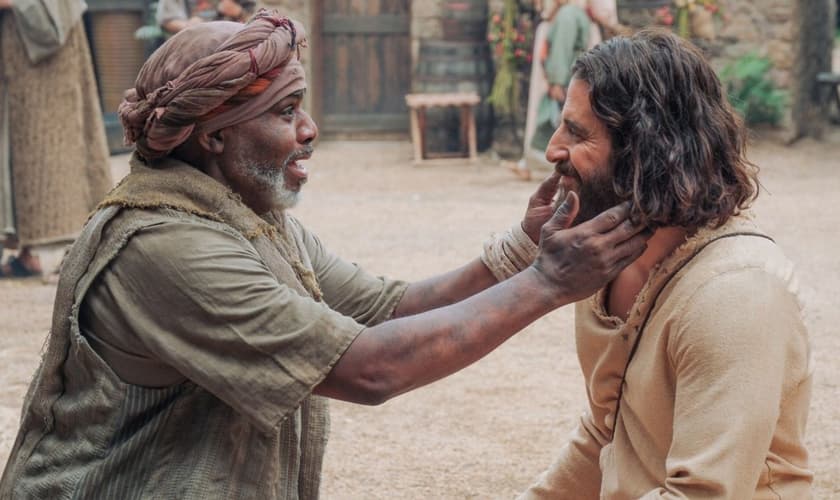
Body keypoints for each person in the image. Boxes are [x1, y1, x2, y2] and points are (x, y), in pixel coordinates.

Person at [0, 11, 650, 498]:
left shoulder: (245, 212)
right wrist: (546, 285)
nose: (309, 131)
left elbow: (387, 308)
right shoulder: (165, 247)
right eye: (285, 111)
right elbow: (369, 368)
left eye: (302, 106)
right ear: (213, 137)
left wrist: (521, 248)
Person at [518, 29, 812, 498]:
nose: (553, 150)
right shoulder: (605, 263)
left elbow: (703, 493)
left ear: (644, 151)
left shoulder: (736, 294)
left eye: (576, 132)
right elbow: (607, 434)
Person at [0, 0, 113, 279]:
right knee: (20, 144)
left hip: (48, 58)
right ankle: (27, 254)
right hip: (17, 48)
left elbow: (51, 19)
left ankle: (79, 251)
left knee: (57, 142)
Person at [510, 0, 589, 181]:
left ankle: (553, 166)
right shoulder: (568, 13)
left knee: (555, 121)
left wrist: (556, 81)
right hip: (568, 76)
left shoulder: (568, 14)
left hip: (566, 78)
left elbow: (561, 50)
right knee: (553, 120)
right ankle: (529, 163)